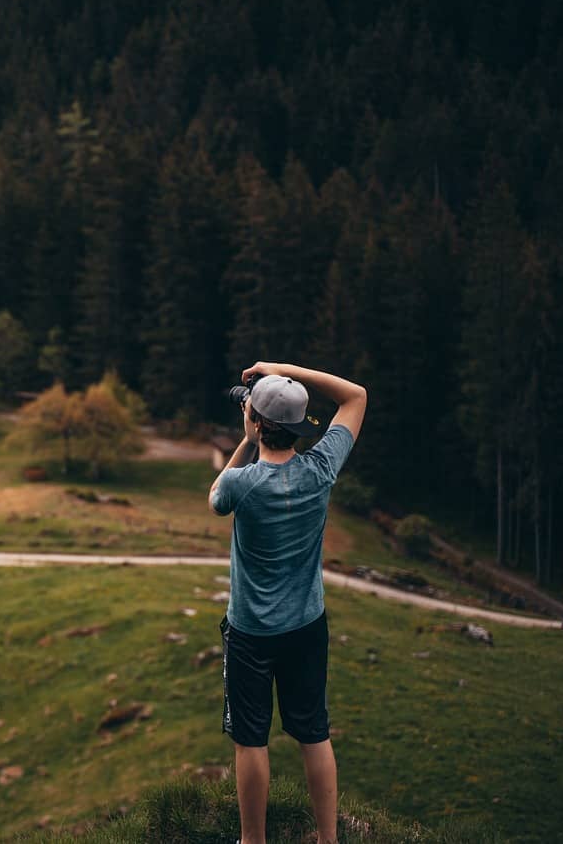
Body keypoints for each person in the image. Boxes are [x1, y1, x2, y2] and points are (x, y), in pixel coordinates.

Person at [208, 361, 367, 844]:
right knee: (314, 732)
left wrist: (245, 441)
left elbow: (215, 496)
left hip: (250, 633)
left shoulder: (241, 485)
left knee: (250, 740)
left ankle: (253, 841)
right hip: (306, 628)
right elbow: (355, 396)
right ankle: (327, 838)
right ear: (298, 427)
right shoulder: (322, 468)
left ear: (256, 422)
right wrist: (282, 371)